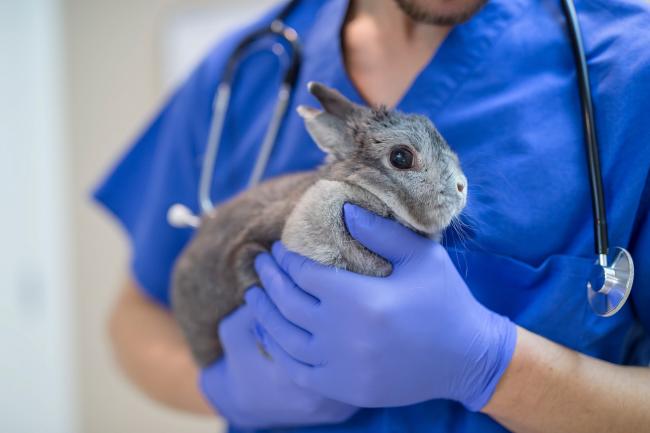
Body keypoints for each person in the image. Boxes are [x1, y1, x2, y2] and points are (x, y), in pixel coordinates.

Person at [94, 0, 650, 432]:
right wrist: (221, 388)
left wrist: (494, 368)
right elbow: (135, 318)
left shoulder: (630, 69)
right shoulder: (246, 69)